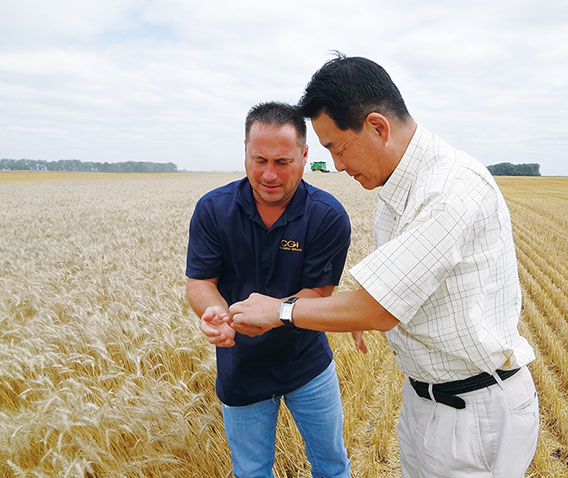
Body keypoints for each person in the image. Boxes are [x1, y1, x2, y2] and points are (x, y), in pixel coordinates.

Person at [227, 55, 540, 477]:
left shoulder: (449, 189)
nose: (336, 165)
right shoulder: (398, 190)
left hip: (475, 411)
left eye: (337, 147)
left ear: (377, 127)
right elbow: (392, 289)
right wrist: (356, 307)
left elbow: (379, 308)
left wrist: (280, 310)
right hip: (429, 401)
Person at [185, 101, 352, 478]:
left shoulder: (327, 216)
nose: (269, 174)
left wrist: (274, 315)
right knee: (251, 472)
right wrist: (213, 312)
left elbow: (318, 294)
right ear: (245, 151)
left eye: (282, 162)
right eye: (259, 160)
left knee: (332, 465)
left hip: (307, 364)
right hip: (241, 367)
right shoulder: (213, 210)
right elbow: (200, 282)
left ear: (305, 156)